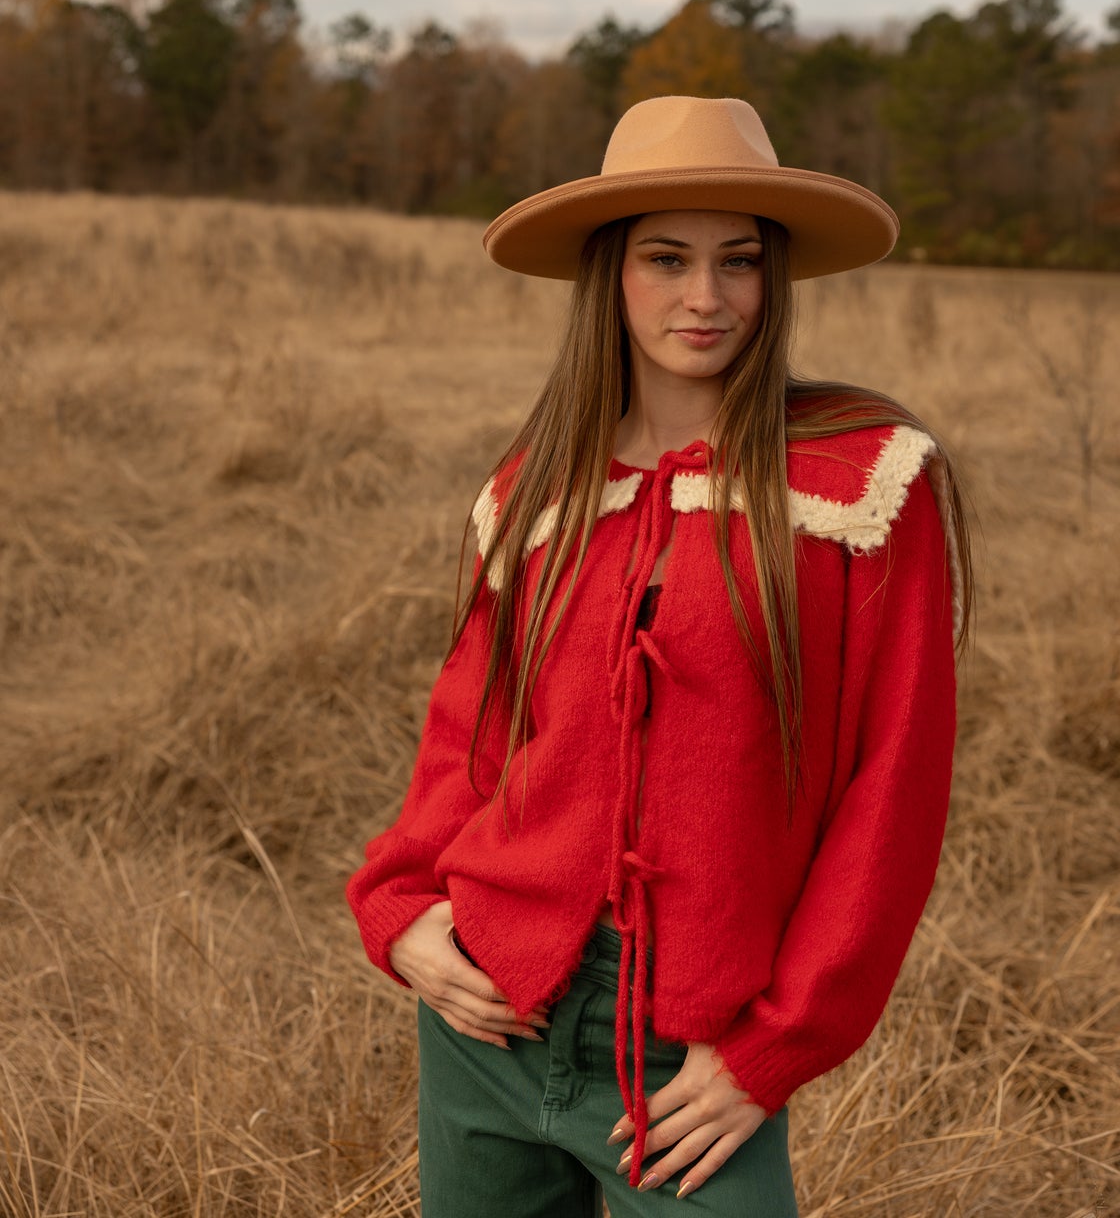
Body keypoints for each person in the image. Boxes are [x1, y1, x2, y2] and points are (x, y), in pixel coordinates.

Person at [346, 95, 974, 1216]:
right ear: (608, 273)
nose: (706, 296)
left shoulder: (864, 482)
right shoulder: (535, 489)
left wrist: (775, 1050)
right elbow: (472, 743)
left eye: (739, 261)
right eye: (666, 258)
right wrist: (402, 915)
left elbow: (896, 786)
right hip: (487, 1008)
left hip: (692, 1054)